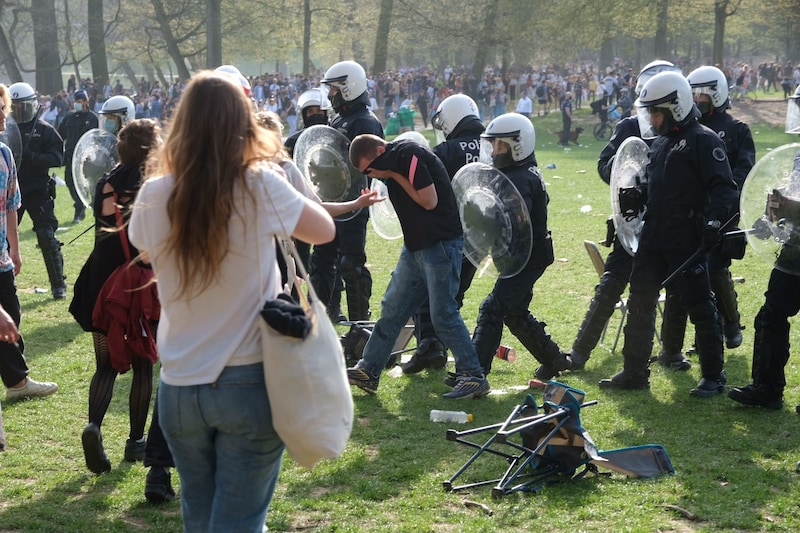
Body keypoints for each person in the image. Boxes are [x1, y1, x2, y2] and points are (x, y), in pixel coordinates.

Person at [128, 71, 335, 532]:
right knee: (238, 523)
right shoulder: (258, 184)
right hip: (247, 379)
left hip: (180, 386)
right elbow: (324, 229)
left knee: (200, 519)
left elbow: (144, 248)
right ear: (243, 124)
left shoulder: (156, 191)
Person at [599, 71, 738, 397]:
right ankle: (634, 371)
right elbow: (655, 187)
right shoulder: (660, 143)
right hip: (654, 235)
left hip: (686, 235)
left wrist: (714, 225)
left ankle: (714, 376)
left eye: (656, 111)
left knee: (700, 304)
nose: (651, 118)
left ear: (676, 107)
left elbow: (724, 189)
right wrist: (636, 196)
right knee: (640, 300)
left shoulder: (704, 140)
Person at [347, 133, 490, 399]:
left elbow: (429, 201)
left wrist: (393, 174)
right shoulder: (389, 165)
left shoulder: (408, 156)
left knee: (444, 315)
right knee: (392, 309)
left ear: (381, 149)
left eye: (370, 169)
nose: (373, 175)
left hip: (441, 245)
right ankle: (369, 370)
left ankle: (473, 375)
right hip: (415, 248)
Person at [568, 60, 680, 372]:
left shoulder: (685, 133)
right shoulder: (630, 126)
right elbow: (606, 164)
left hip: (670, 223)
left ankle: (672, 352)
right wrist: (626, 174)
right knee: (611, 285)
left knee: (679, 289)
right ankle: (579, 352)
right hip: (632, 221)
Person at [69, 119, 161, 475]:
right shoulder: (155, 186)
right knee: (143, 365)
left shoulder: (105, 182)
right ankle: (135, 441)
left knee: (105, 365)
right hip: (139, 286)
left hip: (101, 284)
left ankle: (94, 425)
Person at [656, 66, 757, 369]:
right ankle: (687, 345)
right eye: (694, 93)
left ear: (717, 94)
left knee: (714, 269)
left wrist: (720, 197)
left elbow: (743, 171)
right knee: (686, 277)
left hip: (723, 211)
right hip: (691, 214)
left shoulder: (737, 129)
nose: (698, 99)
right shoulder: (686, 132)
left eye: (703, 93)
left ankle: (731, 323)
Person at [469, 113, 572, 381]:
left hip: (527, 256)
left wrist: (479, 216)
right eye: (492, 145)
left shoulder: (522, 178)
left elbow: (513, 218)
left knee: (492, 308)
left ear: (517, 145)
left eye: (499, 145)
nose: (494, 150)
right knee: (514, 313)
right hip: (521, 255)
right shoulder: (513, 172)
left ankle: (474, 374)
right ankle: (554, 360)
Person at [727, 88, 800, 411]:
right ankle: (767, 389)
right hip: (795, 247)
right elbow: (793, 193)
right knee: (770, 314)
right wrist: (769, 214)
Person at [402, 94, 484, 375]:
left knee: (428, 294)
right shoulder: (492, 145)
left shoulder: (446, 151)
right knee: (453, 295)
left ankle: (430, 347)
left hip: (449, 234)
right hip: (482, 236)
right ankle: (438, 347)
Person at [310, 61, 384, 322]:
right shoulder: (340, 117)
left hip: (354, 201)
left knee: (351, 265)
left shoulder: (365, 121)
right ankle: (322, 317)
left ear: (348, 87)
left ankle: (359, 325)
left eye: (334, 89)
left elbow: (365, 165)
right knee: (321, 260)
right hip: (332, 199)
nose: (330, 94)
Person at [0, 83, 58, 402]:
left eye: (4, 107)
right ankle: (19, 381)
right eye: (0, 108)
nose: (5, 114)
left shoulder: (6, 153)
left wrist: (14, 250)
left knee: (11, 315)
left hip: (1, 257)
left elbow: (11, 204)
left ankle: (17, 383)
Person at [9, 82, 66, 300]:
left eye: (24, 106)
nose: (21, 112)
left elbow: (57, 158)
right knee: (3, 239)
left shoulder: (44, 130)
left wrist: (33, 156)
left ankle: (58, 284)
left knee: (46, 235)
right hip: (12, 190)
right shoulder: (6, 129)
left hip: (37, 190)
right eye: (16, 107)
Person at [58, 89, 99, 223]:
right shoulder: (69, 116)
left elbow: (95, 138)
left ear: (86, 102)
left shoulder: (92, 118)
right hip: (70, 157)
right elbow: (60, 135)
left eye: (80, 101)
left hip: (85, 158)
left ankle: (82, 209)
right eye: (76, 101)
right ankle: (80, 205)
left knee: (86, 184)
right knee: (70, 182)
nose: (77, 104)